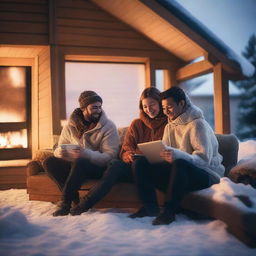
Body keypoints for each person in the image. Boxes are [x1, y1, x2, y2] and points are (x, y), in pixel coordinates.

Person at [131, 86, 225, 225]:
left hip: (207, 174)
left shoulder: (197, 124)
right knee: (140, 163)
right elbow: (168, 151)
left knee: (179, 163)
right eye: (163, 108)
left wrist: (177, 155)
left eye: (169, 107)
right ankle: (149, 207)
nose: (166, 112)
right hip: (180, 172)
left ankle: (169, 212)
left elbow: (204, 159)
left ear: (181, 103)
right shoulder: (170, 126)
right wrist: (158, 156)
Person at [70, 87, 168, 215]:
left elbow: (171, 149)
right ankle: (84, 205)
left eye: (152, 105)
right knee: (115, 164)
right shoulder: (136, 124)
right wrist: (129, 155)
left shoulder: (169, 124)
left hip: (157, 168)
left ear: (160, 103)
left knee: (131, 164)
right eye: (144, 106)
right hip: (135, 168)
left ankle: (83, 205)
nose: (148, 109)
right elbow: (125, 148)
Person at [43, 90, 120, 216]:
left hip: (97, 167)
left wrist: (86, 154)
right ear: (83, 108)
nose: (98, 110)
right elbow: (58, 148)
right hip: (75, 165)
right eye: (94, 107)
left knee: (81, 161)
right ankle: (74, 198)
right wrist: (61, 152)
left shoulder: (108, 126)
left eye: (100, 107)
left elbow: (110, 157)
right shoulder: (70, 126)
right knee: (48, 162)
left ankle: (65, 203)